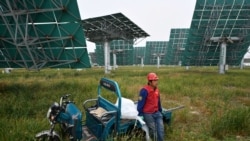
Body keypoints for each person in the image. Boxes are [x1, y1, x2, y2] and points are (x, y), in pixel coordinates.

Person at [137, 72, 164, 141]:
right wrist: (140, 114)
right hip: (148, 114)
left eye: (157, 80)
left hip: (157, 112)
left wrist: (160, 110)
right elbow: (140, 102)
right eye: (154, 80)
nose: (156, 82)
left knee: (161, 129)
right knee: (153, 129)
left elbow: (158, 101)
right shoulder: (144, 91)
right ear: (150, 81)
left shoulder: (157, 90)